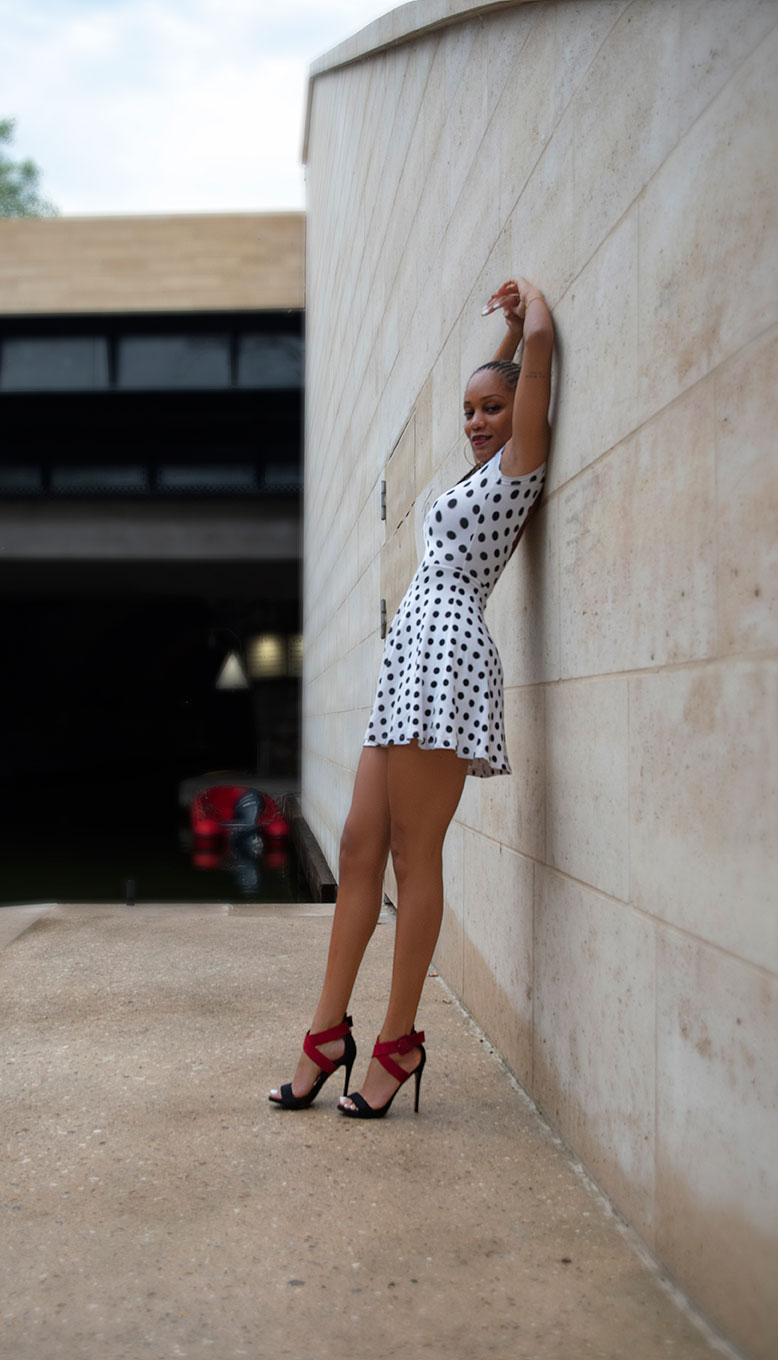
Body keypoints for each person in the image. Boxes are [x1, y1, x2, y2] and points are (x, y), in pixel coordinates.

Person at [269, 276, 554, 1118]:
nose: (476, 421)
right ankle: (328, 1033)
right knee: (359, 845)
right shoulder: (476, 473)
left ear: (519, 415)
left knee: (410, 853)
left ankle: (396, 1043)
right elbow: (505, 378)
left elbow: (534, 363)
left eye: (490, 410)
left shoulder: (518, 468)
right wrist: (497, 353)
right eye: (467, 408)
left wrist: (526, 313)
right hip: (409, 665)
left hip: (449, 658)